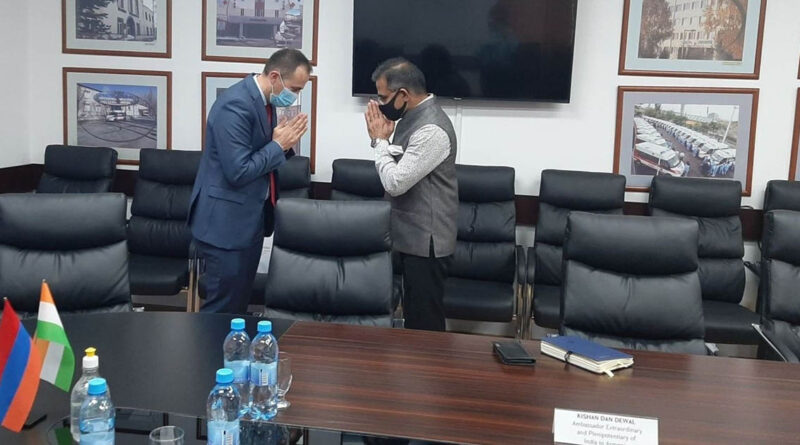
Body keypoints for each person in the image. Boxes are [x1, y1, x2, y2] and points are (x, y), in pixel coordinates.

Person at [188, 49, 311, 314]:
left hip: (249, 222)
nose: (295, 96)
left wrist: (282, 146)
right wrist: (278, 146)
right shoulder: (235, 105)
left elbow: (259, 153)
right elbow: (239, 171)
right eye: (295, 89)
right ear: (275, 76)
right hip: (224, 226)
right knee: (222, 310)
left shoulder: (265, 102)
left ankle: (232, 343)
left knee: (237, 306)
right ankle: (211, 344)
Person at [364, 58, 458, 332]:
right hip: (408, 236)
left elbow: (396, 182)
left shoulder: (432, 130)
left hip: (427, 242)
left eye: (384, 97)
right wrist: (383, 142)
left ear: (403, 94)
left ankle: (429, 362)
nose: (380, 104)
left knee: (423, 323)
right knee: (413, 317)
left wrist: (380, 143)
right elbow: (401, 161)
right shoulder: (410, 118)